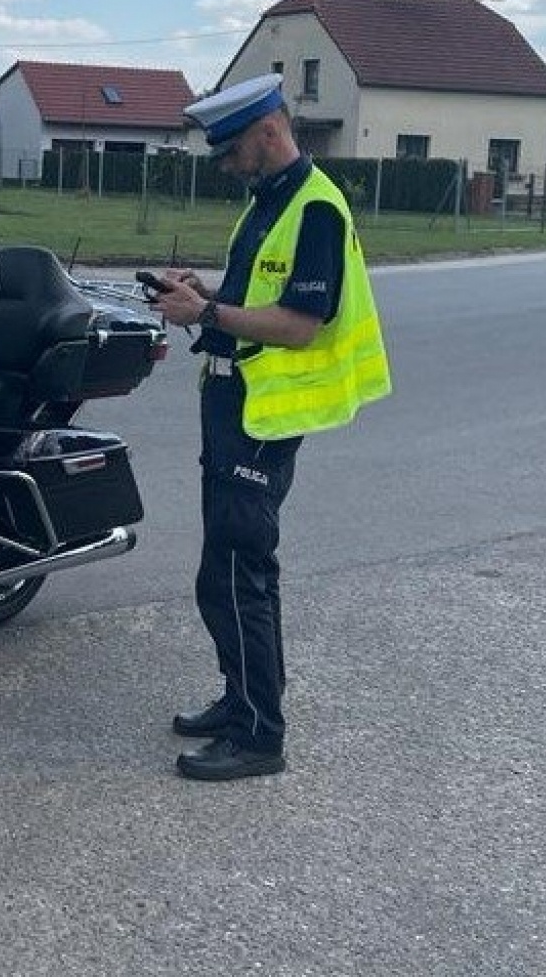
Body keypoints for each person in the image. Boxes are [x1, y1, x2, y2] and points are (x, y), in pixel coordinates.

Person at [143, 73, 392, 781]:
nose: (225, 164)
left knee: (234, 574)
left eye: (230, 150)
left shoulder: (316, 209)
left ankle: (259, 735)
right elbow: (260, 292)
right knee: (231, 570)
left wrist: (207, 315)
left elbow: (299, 323)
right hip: (234, 407)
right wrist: (205, 291)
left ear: (268, 132)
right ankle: (244, 697)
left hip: (262, 416)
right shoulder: (269, 201)